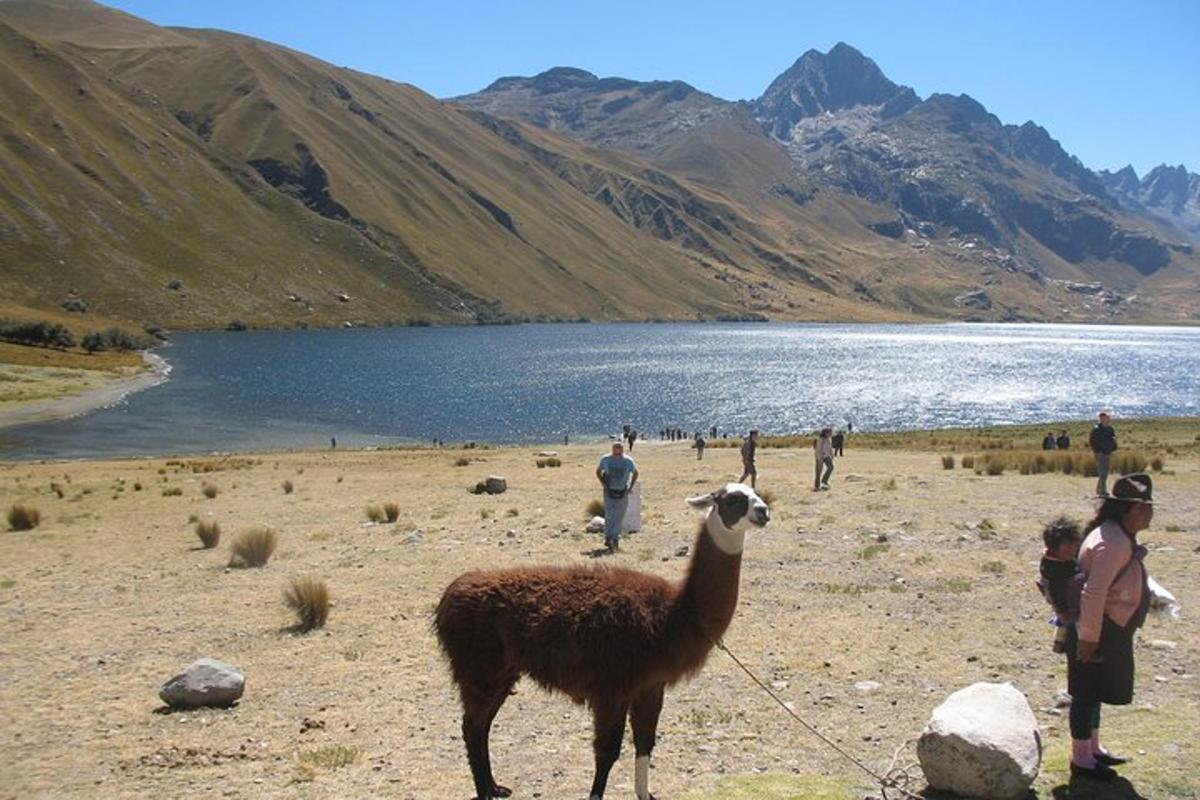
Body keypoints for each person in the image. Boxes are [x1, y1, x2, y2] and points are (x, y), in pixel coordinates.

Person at [1066, 473, 1154, 782]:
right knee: (1085, 692)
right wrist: (1089, 639)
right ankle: (1081, 759)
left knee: (1096, 690)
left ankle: (1093, 748)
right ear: (1126, 510)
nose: (1149, 512)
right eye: (1143, 506)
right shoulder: (1112, 542)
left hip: (1107, 627)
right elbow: (1094, 592)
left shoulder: (1117, 535)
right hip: (1097, 628)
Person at [1037, 516, 1082, 654]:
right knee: (1073, 629)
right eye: (1068, 546)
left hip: (1073, 602)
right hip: (1068, 606)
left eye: (1075, 545)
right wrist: (1062, 611)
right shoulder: (1054, 568)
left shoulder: (1063, 560)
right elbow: (1056, 593)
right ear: (1054, 546)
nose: (1073, 550)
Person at [596, 442, 638, 552]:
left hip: (622, 491)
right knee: (609, 514)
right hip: (609, 491)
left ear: (622, 450)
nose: (617, 452)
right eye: (615, 450)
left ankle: (615, 539)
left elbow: (635, 472)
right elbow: (598, 471)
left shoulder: (628, 461)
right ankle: (608, 537)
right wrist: (603, 484)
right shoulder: (605, 459)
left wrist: (630, 487)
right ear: (612, 449)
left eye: (619, 450)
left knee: (619, 515)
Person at [1089, 412, 1118, 496]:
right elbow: (1092, 442)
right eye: (1106, 418)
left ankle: (1099, 489)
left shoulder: (1110, 429)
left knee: (1105, 472)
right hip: (1100, 453)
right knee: (1102, 472)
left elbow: (1113, 439)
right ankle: (1102, 491)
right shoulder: (1096, 430)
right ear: (1101, 419)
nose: (1108, 420)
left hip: (1108, 452)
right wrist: (1097, 452)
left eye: (1108, 418)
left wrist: (1113, 448)